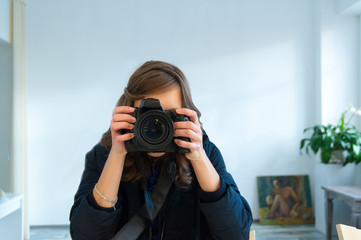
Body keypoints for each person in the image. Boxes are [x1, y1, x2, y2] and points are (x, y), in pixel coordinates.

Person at [69, 61, 253, 240]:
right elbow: (85, 235)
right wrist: (117, 155)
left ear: (186, 113)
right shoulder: (104, 155)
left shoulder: (205, 153)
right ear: (129, 113)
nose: (158, 126)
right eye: (147, 116)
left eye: (169, 115)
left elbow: (237, 234)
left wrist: (198, 157)